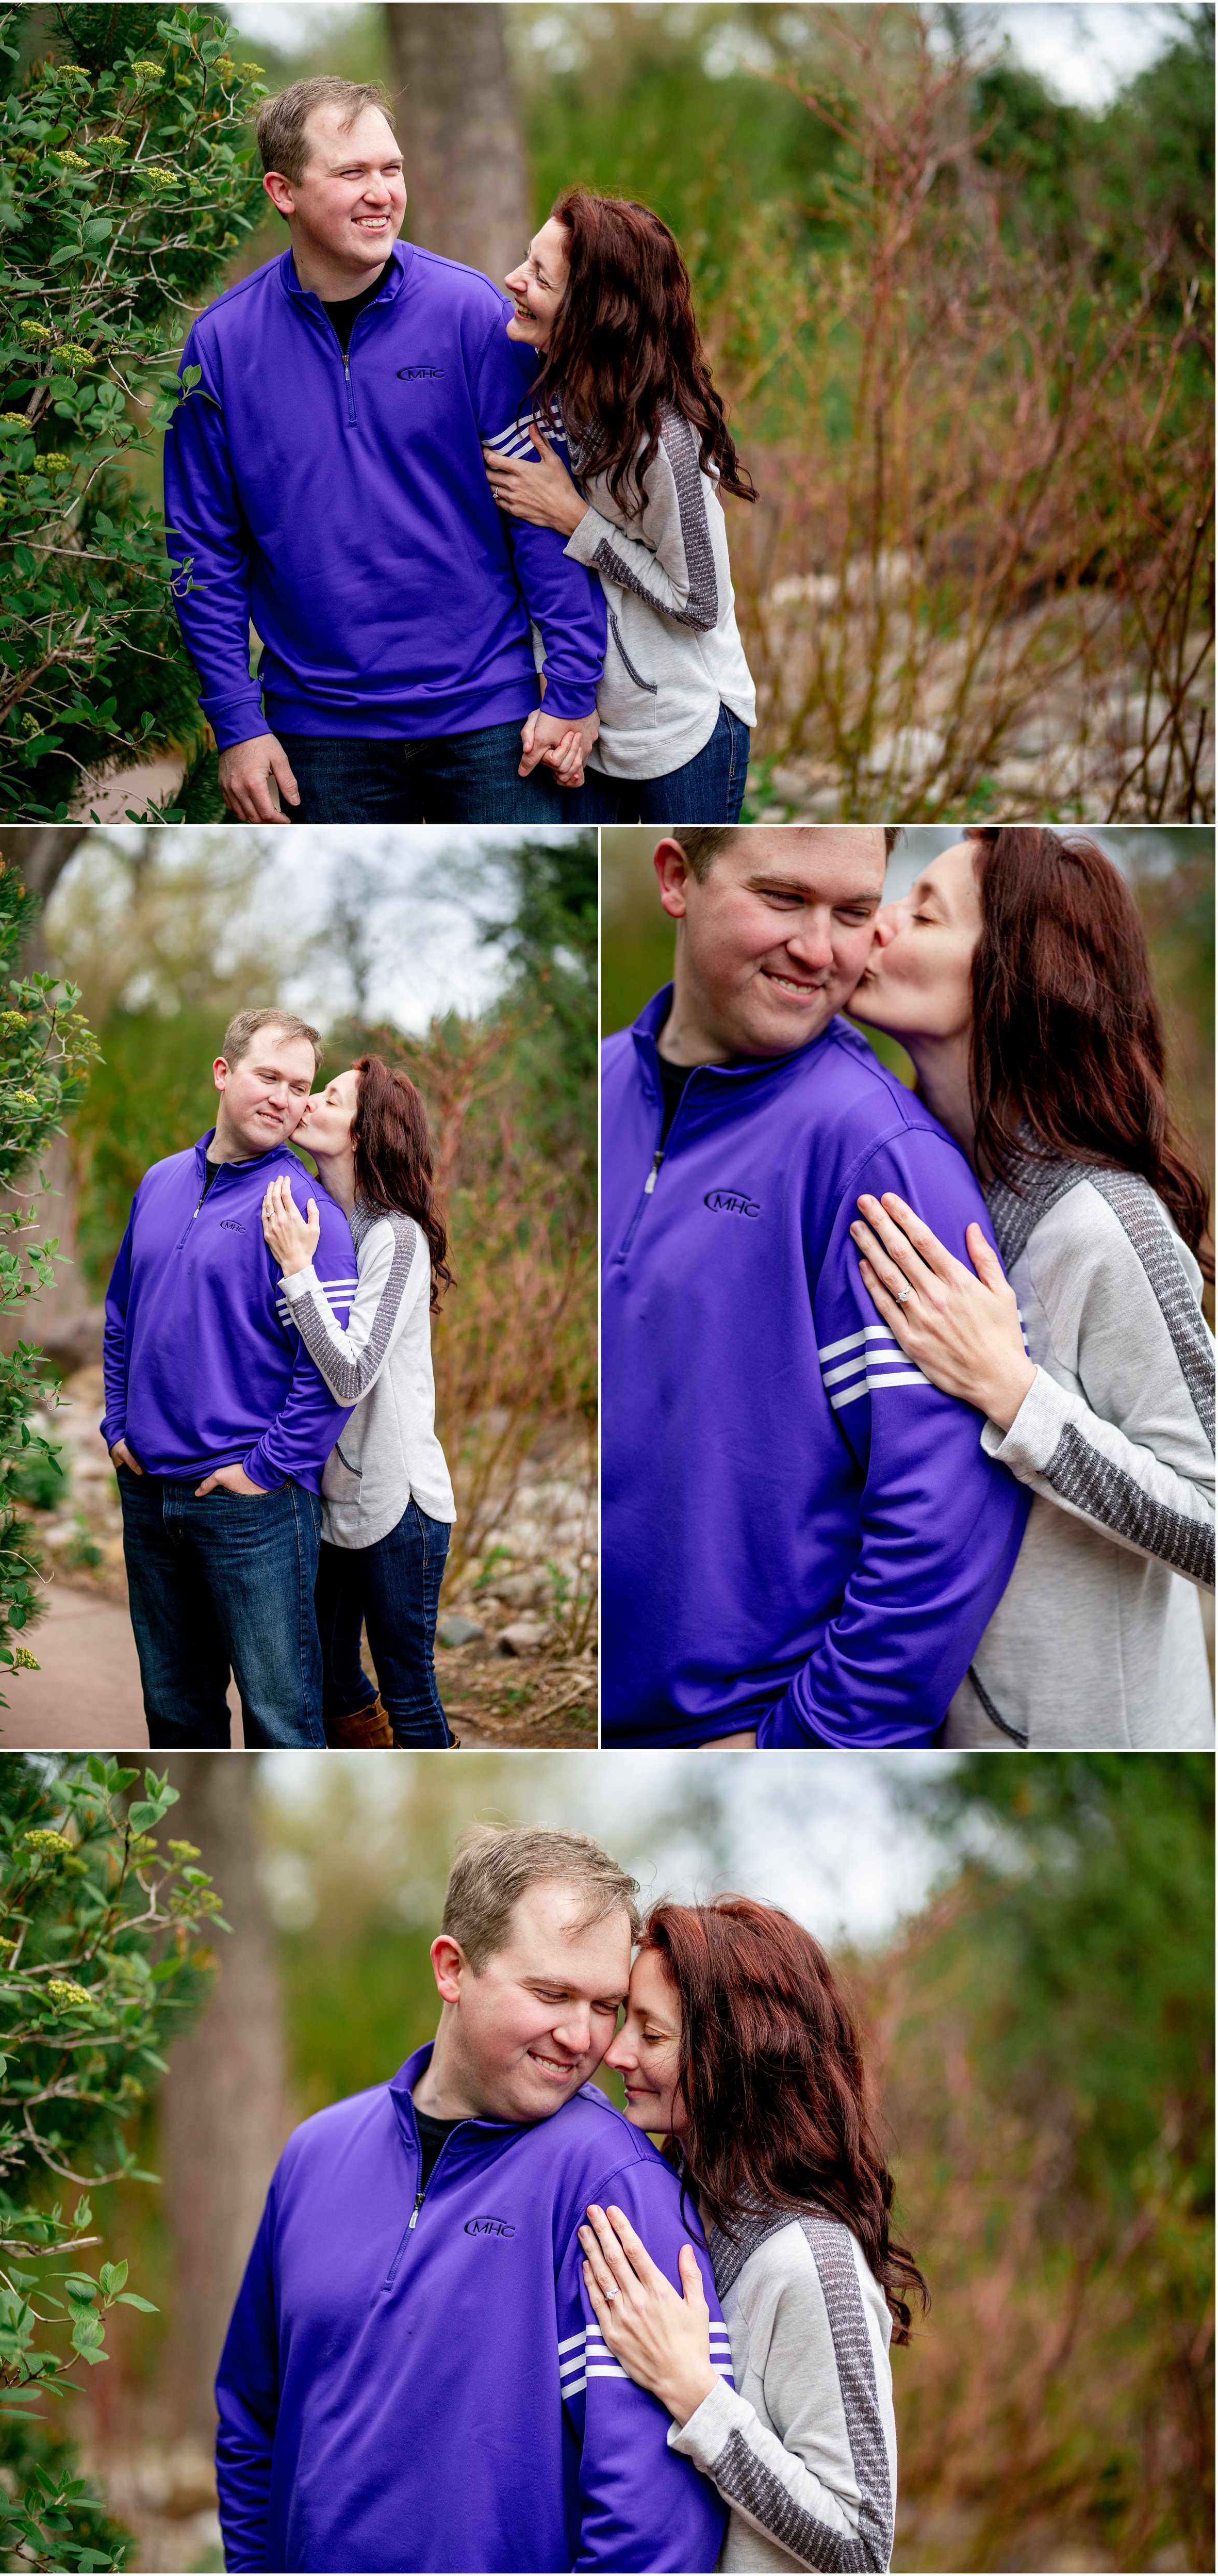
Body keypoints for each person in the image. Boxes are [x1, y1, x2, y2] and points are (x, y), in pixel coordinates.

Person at [600, 825, 1030, 1749]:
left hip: (724, 1738)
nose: (818, 948)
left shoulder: (880, 1158)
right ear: (676, 877)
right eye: (784, 899)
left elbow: (945, 1518)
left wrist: (793, 1744)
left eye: (851, 912)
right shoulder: (602, 1086)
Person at [215, 1828, 731, 2575]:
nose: (582, 2036)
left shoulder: (615, 2188)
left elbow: (652, 2527)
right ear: (452, 1969)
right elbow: (249, 2421)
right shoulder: (313, 2155)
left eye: (606, 2004)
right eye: (551, 1993)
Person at [844, 824, 1215, 1746]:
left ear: (1011, 969)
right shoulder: (917, 1181)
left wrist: (1013, 1394)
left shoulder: (1104, 1223)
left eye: (921, 911)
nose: (875, 924)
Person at [162, 79, 607, 825]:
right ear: (283, 191)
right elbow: (203, 549)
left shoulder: (474, 318)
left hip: (492, 719)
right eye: (351, 173)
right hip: (316, 732)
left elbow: (538, 512)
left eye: (390, 169)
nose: (380, 194)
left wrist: (569, 688)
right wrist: (237, 719)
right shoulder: (222, 345)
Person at [579, 1898, 924, 2573]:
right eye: (625, 2021)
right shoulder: (684, 2207)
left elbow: (860, 2545)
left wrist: (696, 2394)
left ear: (731, 2055)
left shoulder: (813, 2263)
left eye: (650, 2033)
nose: (615, 2051)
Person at [101, 1010, 358, 1749]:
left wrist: (265, 1469)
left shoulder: (307, 1211)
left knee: (281, 1720)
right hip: (149, 1494)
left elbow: (332, 1371)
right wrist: (117, 1426)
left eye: (300, 1086)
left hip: (251, 1512)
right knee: (176, 1714)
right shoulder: (158, 1182)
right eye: (267, 1076)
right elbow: (122, 1313)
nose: (284, 1097)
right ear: (223, 1072)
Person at [483, 190, 758, 824]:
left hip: (686, 733)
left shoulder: (664, 443)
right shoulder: (548, 392)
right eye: (527, 261)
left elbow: (700, 604)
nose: (513, 281)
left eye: (539, 277)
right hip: (593, 728)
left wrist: (575, 520)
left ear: (592, 315)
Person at [259, 1055, 458, 1751]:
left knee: (408, 1688)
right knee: (332, 1677)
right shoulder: (324, 1223)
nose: (308, 1101)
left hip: (399, 1504)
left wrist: (296, 1272)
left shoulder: (393, 1236)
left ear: (365, 1130)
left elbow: (350, 1377)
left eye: (330, 1096)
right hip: (332, 1496)